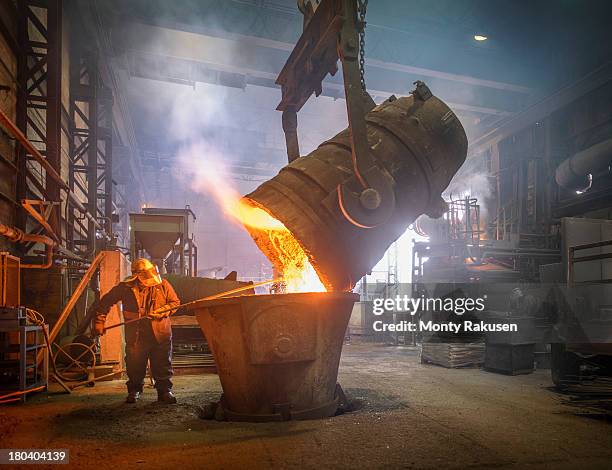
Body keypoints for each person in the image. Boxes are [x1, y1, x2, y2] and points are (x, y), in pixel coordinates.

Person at [93, 258, 180, 404]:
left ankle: (165, 391)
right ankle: (134, 390)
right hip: (137, 334)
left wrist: (161, 311)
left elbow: (175, 303)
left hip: (160, 332)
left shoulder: (162, 284)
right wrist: (99, 322)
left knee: (163, 362)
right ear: (137, 275)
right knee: (135, 364)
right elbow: (105, 302)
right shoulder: (125, 287)